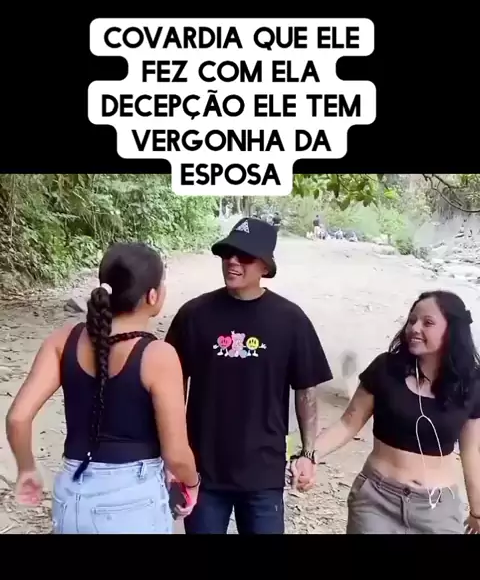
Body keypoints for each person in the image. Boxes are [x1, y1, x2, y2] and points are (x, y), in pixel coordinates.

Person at [6, 242, 200, 534]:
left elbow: (17, 418)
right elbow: (176, 454)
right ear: (152, 295)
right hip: (133, 501)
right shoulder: (158, 356)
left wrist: (27, 469)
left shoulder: (63, 341)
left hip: (71, 495)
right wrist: (192, 483)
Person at [165, 217, 333, 534]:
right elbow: (171, 386)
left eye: (243, 256)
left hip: (263, 474)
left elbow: (305, 390)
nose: (232, 261)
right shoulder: (194, 315)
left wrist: (308, 453)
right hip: (202, 471)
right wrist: (173, 454)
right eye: (227, 253)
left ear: (264, 266)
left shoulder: (290, 320)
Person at [313, 290, 480, 534]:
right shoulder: (386, 369)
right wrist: (310, 454)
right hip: (377, 501)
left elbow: (471, 450)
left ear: (452, 330)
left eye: (428, 322)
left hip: (438, 508)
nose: (415, 328)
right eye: (412, 320)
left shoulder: (471, 383)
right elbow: (348, 423)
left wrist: (477, 510)